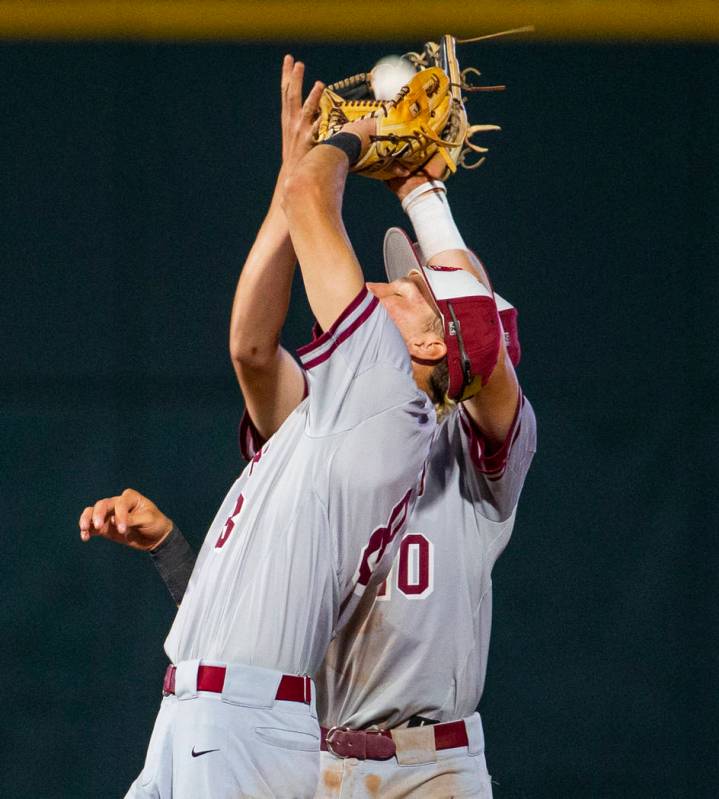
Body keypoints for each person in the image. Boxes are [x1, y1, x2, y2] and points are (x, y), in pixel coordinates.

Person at [83, 57, 536, 798]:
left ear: (430, 343)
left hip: (430, 765)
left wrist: (406, 179)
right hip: (303, 745)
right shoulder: (330, 413)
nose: (377, 289)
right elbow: (253, 613)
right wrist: (387, 187)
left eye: (401, 290)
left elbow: (484, 340)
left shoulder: (477, 453)